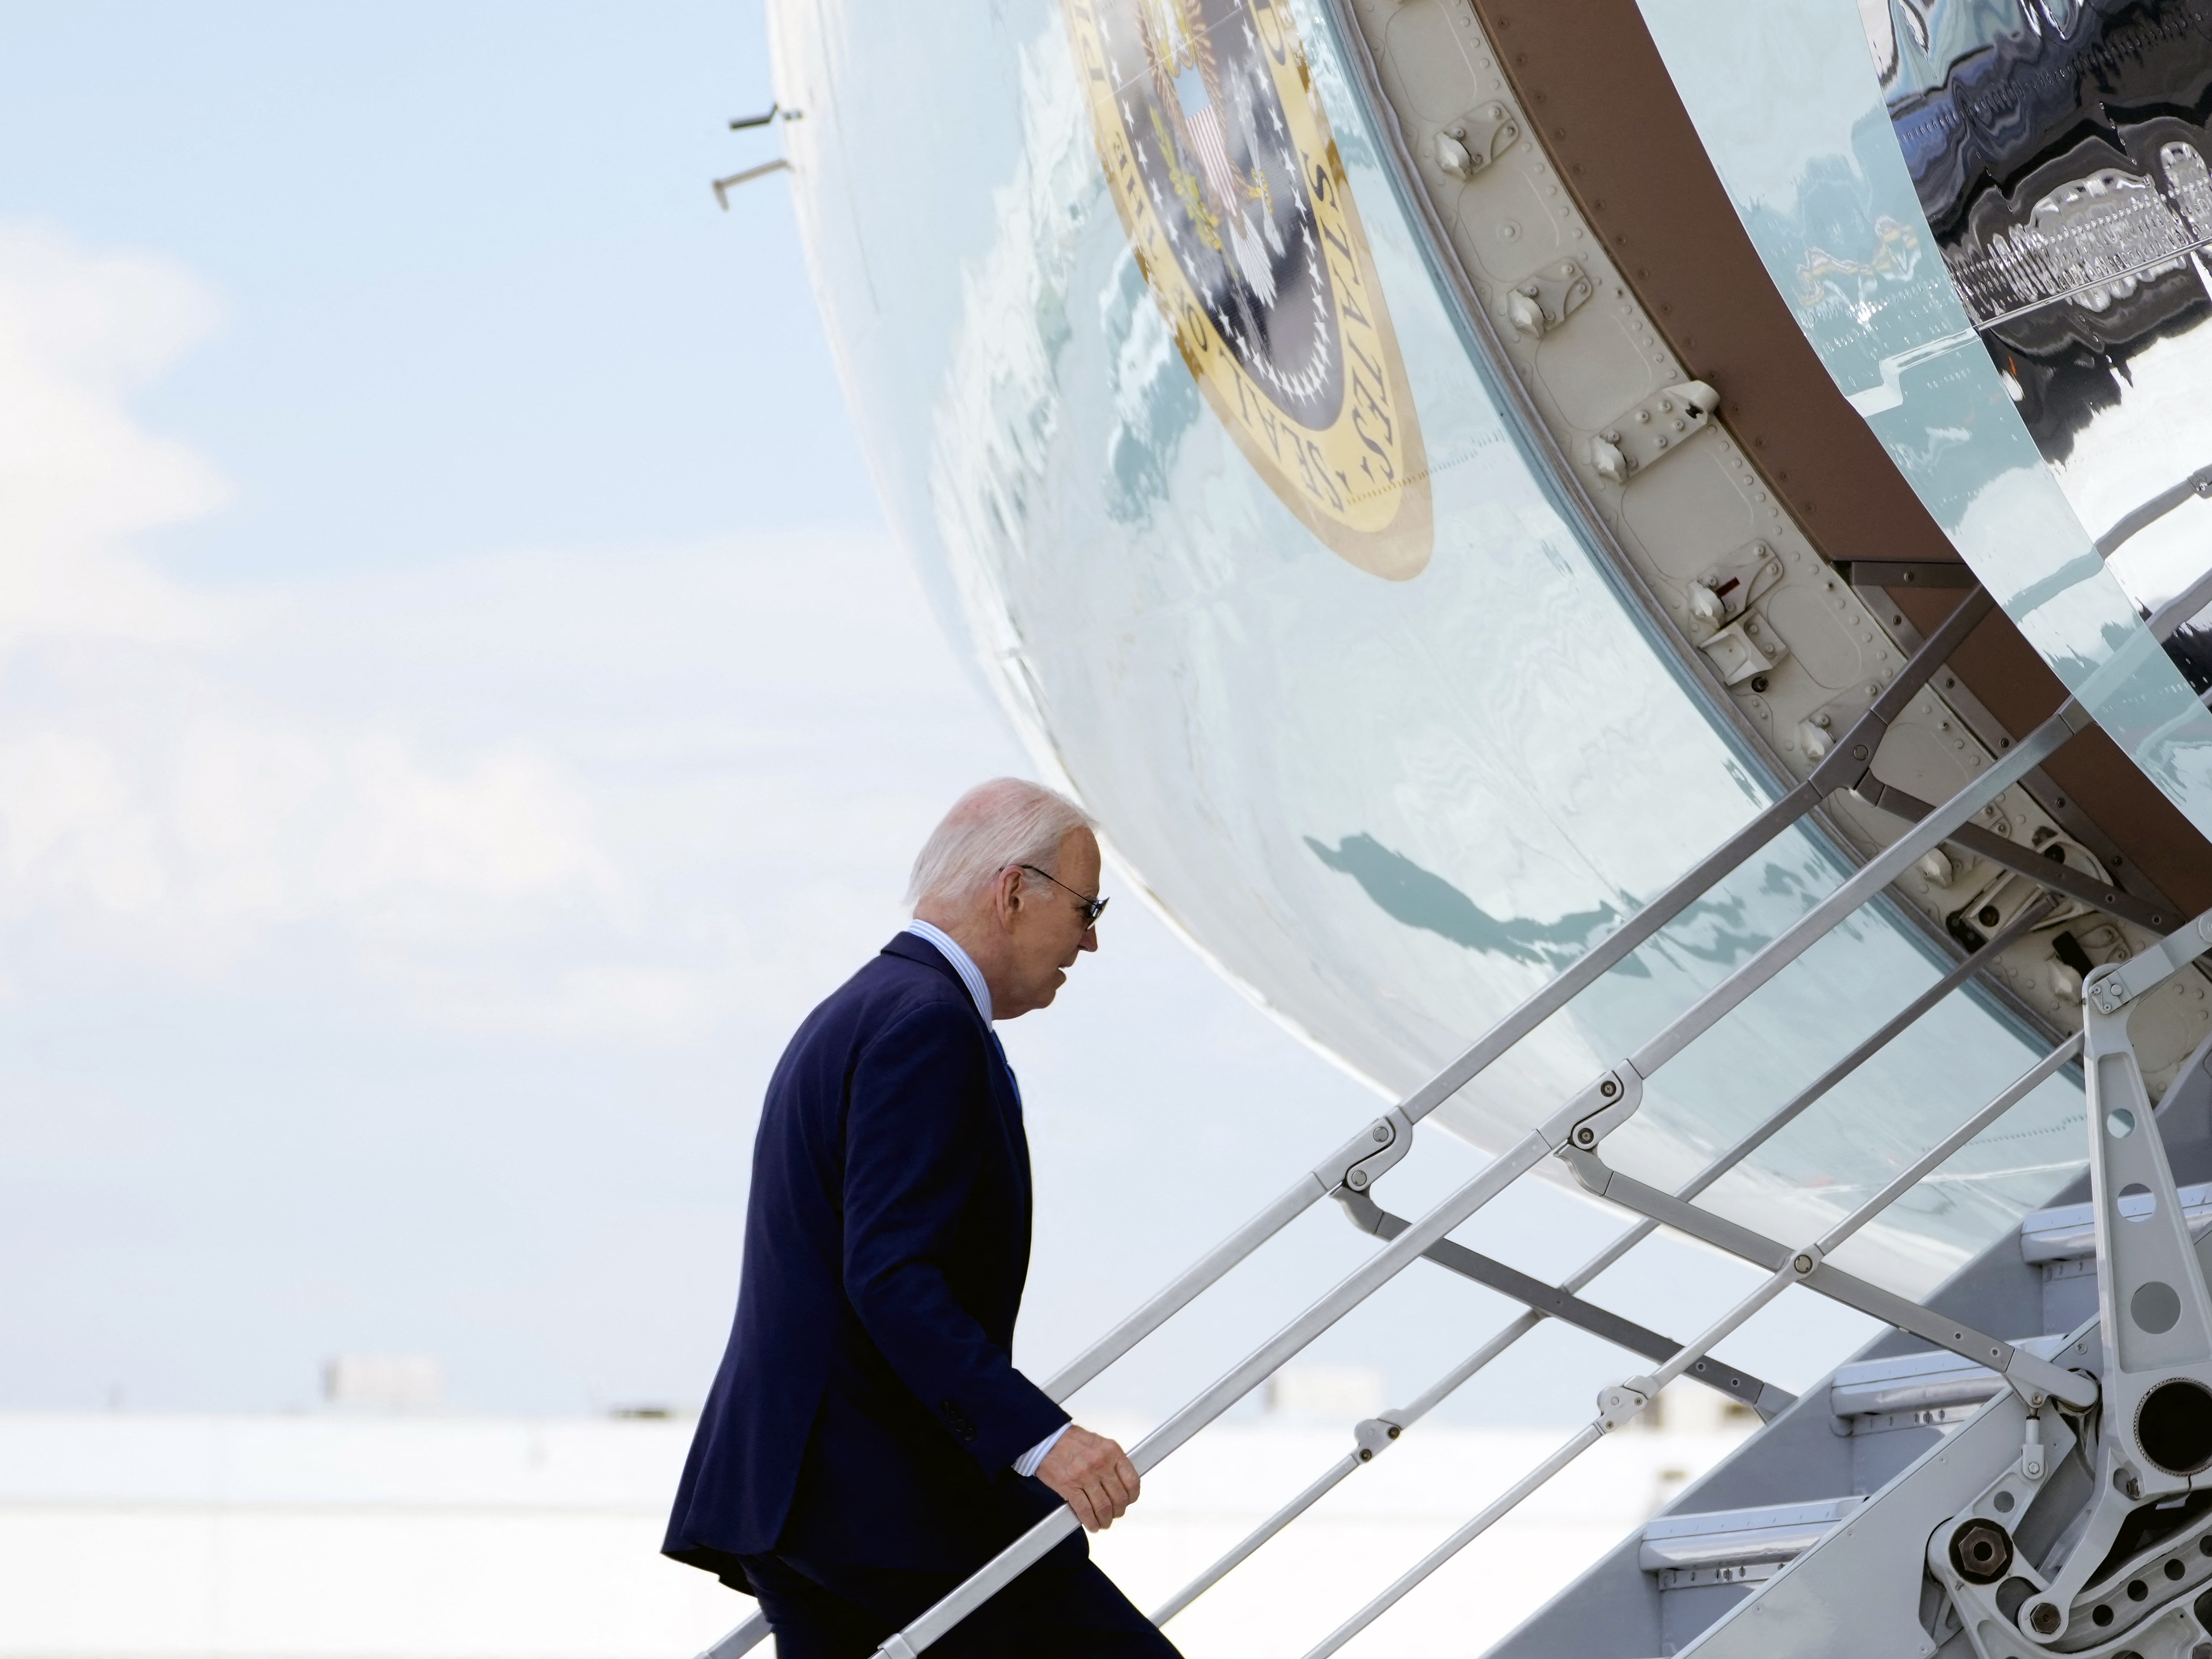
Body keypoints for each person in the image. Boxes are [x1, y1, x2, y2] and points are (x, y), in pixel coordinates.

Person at [663, 779, 1182, 1658]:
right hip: (880, 1500)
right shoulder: (928, 1024)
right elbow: (893, 1276)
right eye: (1087, 909)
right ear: (1014, 893)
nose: (1091, 941)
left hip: (795, 1495)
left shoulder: (863, 1007)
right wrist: (1043, 1440)